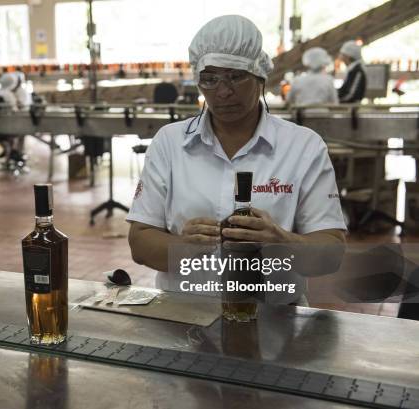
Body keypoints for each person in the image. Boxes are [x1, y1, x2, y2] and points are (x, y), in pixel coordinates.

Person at [126, 15, 346, 292]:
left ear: (260, 75)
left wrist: (281, 242)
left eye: (236, 76)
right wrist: (182, 247)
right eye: (209, 79)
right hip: (183, 316)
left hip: (273, 317)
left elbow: (332, 253)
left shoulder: (303, 147)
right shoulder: (169, 143)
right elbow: (140, 243)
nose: (223, 92)